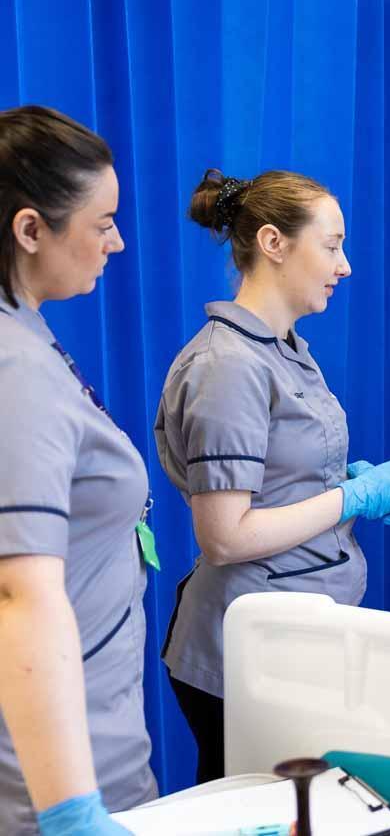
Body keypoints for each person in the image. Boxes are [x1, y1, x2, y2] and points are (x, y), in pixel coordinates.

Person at [154, 169, 390, 784]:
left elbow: (276, 477)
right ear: (273, 243)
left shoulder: (284, 349)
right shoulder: (227, 366)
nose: (344, 266)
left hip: (295, 633)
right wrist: (351, 495)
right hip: (245, 647)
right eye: (331, 246)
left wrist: (346, 484)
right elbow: (225, 536)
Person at [0, 105, 153, 834]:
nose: (116, 242)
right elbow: (19, 594)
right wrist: (70, 812)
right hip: (45, 778)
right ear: (31, 230)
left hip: (89, 738)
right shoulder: (13, 367)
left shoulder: (26, 335)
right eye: (102, 224)